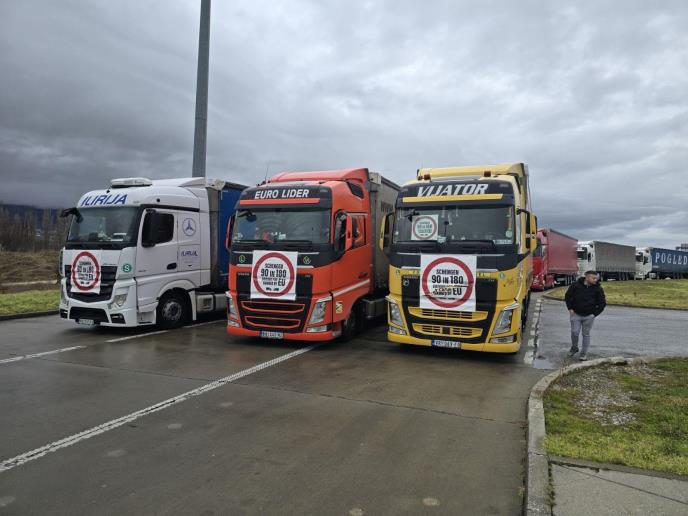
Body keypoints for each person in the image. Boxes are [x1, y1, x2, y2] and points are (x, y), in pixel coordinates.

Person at [564, 271, 606, 361]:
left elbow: (602, 303)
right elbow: (567, 296)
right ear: (587, 277)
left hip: (589, 316)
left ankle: (583, 354)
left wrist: (594, 314)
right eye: (593, 278)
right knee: (575, 332)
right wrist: (570, 308)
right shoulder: (575, 285)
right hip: (575, 314)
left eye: (596, 278)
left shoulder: (598, 289)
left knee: (586, 334)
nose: (595, 280)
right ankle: (574, 348)